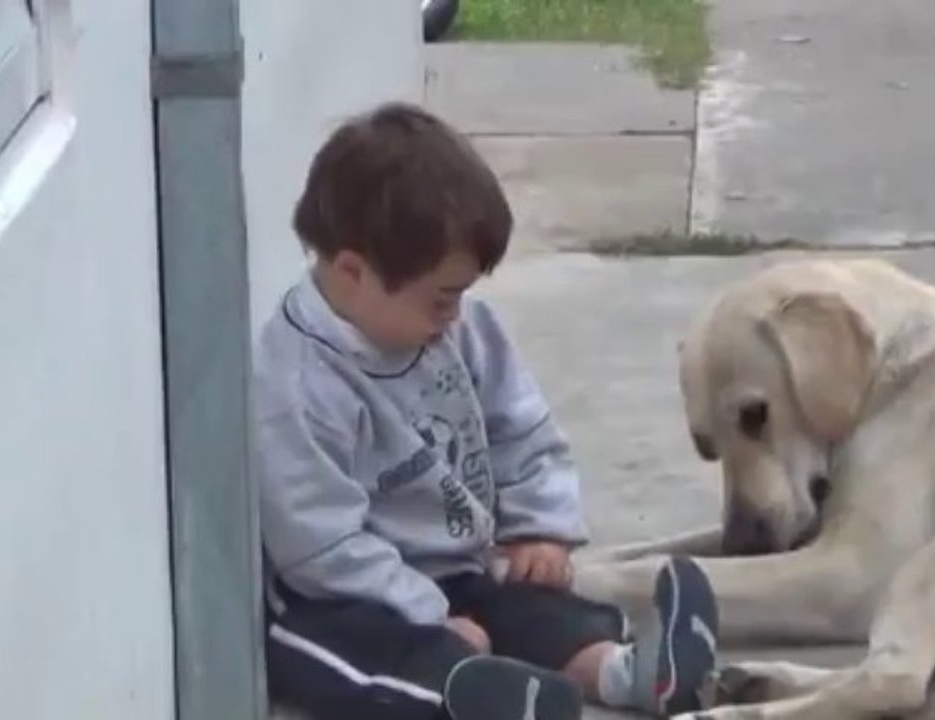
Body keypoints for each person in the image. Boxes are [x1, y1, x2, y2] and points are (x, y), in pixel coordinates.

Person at [253, 101, 720, 720]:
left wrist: (539, 529)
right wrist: (427, 613)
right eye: (441, 297)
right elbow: (320, 546)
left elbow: (520, 427)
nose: (455, 314)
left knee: (533, 607)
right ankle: (472, 698)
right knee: (345, 655)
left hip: (462, 567)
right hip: (349, 593)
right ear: (351, 272)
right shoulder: (298, 382)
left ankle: (628, 673)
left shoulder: (460, 328)